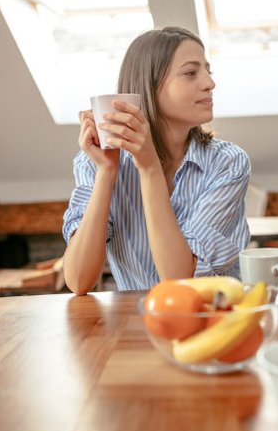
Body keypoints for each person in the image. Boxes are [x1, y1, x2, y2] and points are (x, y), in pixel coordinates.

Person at [62, 27, 250, 293]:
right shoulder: (93, 162)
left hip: (214, 321)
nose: (209, 83)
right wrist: (106, 172)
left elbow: (180, 283)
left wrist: (149, 168)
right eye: (190, 73)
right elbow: (79, 280)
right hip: (136, 325)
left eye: (208, 70)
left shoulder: (228, 163)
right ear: (149, 87)